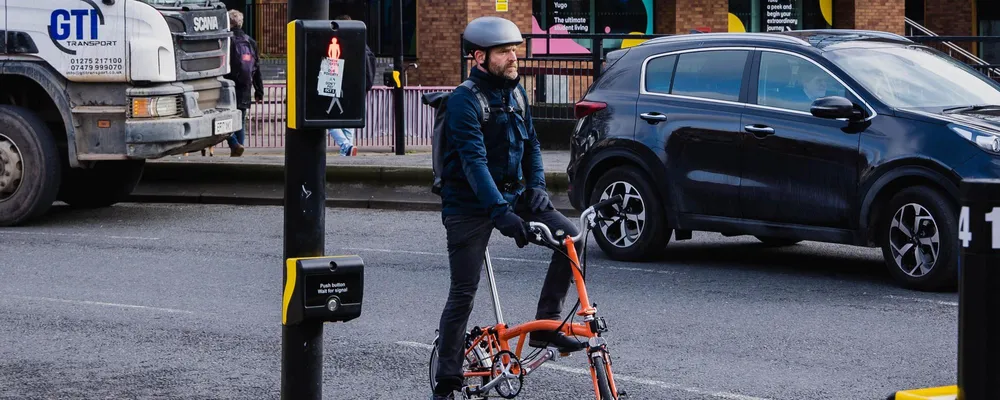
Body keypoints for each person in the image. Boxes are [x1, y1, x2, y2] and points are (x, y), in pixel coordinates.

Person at [430, 16, 585, 400]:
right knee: (463, 290)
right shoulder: (465, 100)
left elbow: (531, 144)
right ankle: (447, 381)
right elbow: (473, 162)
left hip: (515, 195)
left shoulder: (516, 93)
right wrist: (502, 216)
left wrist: (537, 189)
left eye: (515, 49)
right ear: (479, 57)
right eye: (504, 51)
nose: (513, 57)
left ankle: (546, 324)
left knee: (572, 237)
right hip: (468, 206)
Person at [326, 14, 376, 156]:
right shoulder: (362, 44)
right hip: (358, 91)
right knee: (349, 122)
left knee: (328, 119)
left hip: (342, 88)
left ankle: (346, 145)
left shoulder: (343, 44)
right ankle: (347, 154)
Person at [224, 9, 263, 157]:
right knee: (240, 119)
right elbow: (257, 68)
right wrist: (259, 91)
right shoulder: (250, 41)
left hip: (228, 85)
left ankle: (234, 143)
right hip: (245, 86)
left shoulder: (226, 40)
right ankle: (238, 150)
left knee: (223, 118)